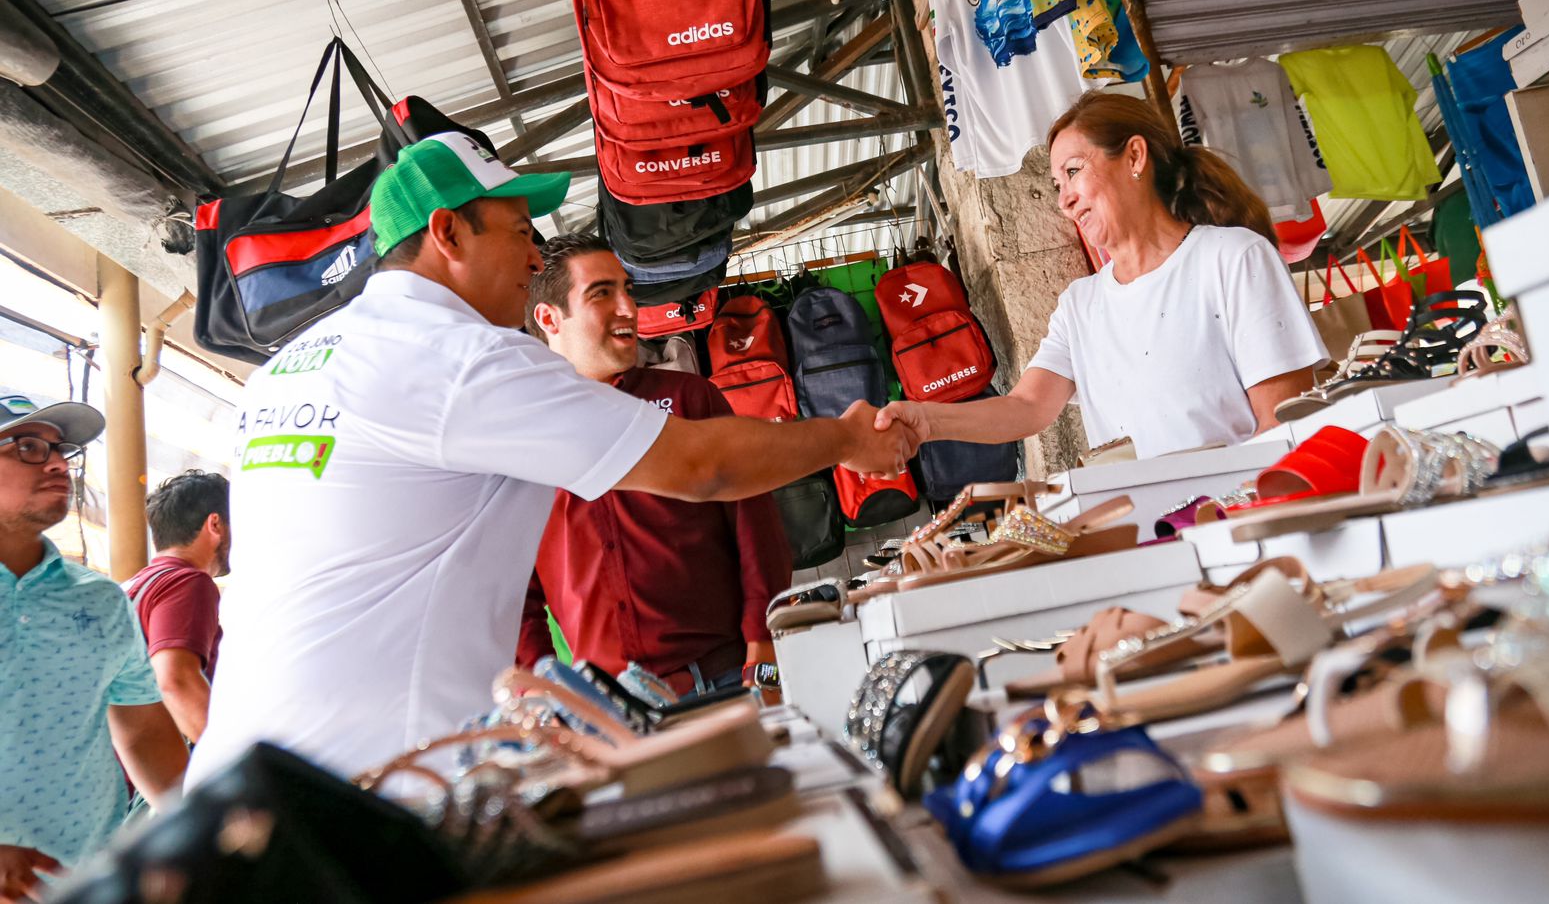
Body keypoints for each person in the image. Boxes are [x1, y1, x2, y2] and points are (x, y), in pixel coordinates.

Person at [187, 132, 913, 788]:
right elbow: (705, 469)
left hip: (248, 783)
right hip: (378, 788)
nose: (535, 257)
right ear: (448, 233)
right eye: (517, 232)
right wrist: (848, 437)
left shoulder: (284, 371)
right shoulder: (456, 356)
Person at [878, 91, 1326, 459]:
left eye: (1073, 172)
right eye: (1057, 185)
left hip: (1233, 531)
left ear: (1134, 156)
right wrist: (927, 421)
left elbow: (1283, 423)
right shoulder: (1081, 304)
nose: (1064, 201)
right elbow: (1026, 407)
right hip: (1143, 539)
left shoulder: (1232, 258)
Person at [519, 235, 791, 697]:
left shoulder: (689, 398)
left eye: (627, 289)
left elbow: (755, 527)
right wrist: (543, 691)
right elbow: (513, 591)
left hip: (728, 680)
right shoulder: (518, 440)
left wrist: (764, 652)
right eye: (602, 293)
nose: (629, 307)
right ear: (549, 318)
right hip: (610, 708)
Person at [0, 394, 189, 902]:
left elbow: (144, 729)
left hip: (92, 884)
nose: (60, 463)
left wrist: (192, 829)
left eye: (62, 450)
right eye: (28, 447)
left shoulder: (101, 599)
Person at [125, 471, 231, 742]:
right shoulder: (187, 582)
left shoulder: (135, 586)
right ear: (215, 524)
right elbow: (175, 681)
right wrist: (230, 758)